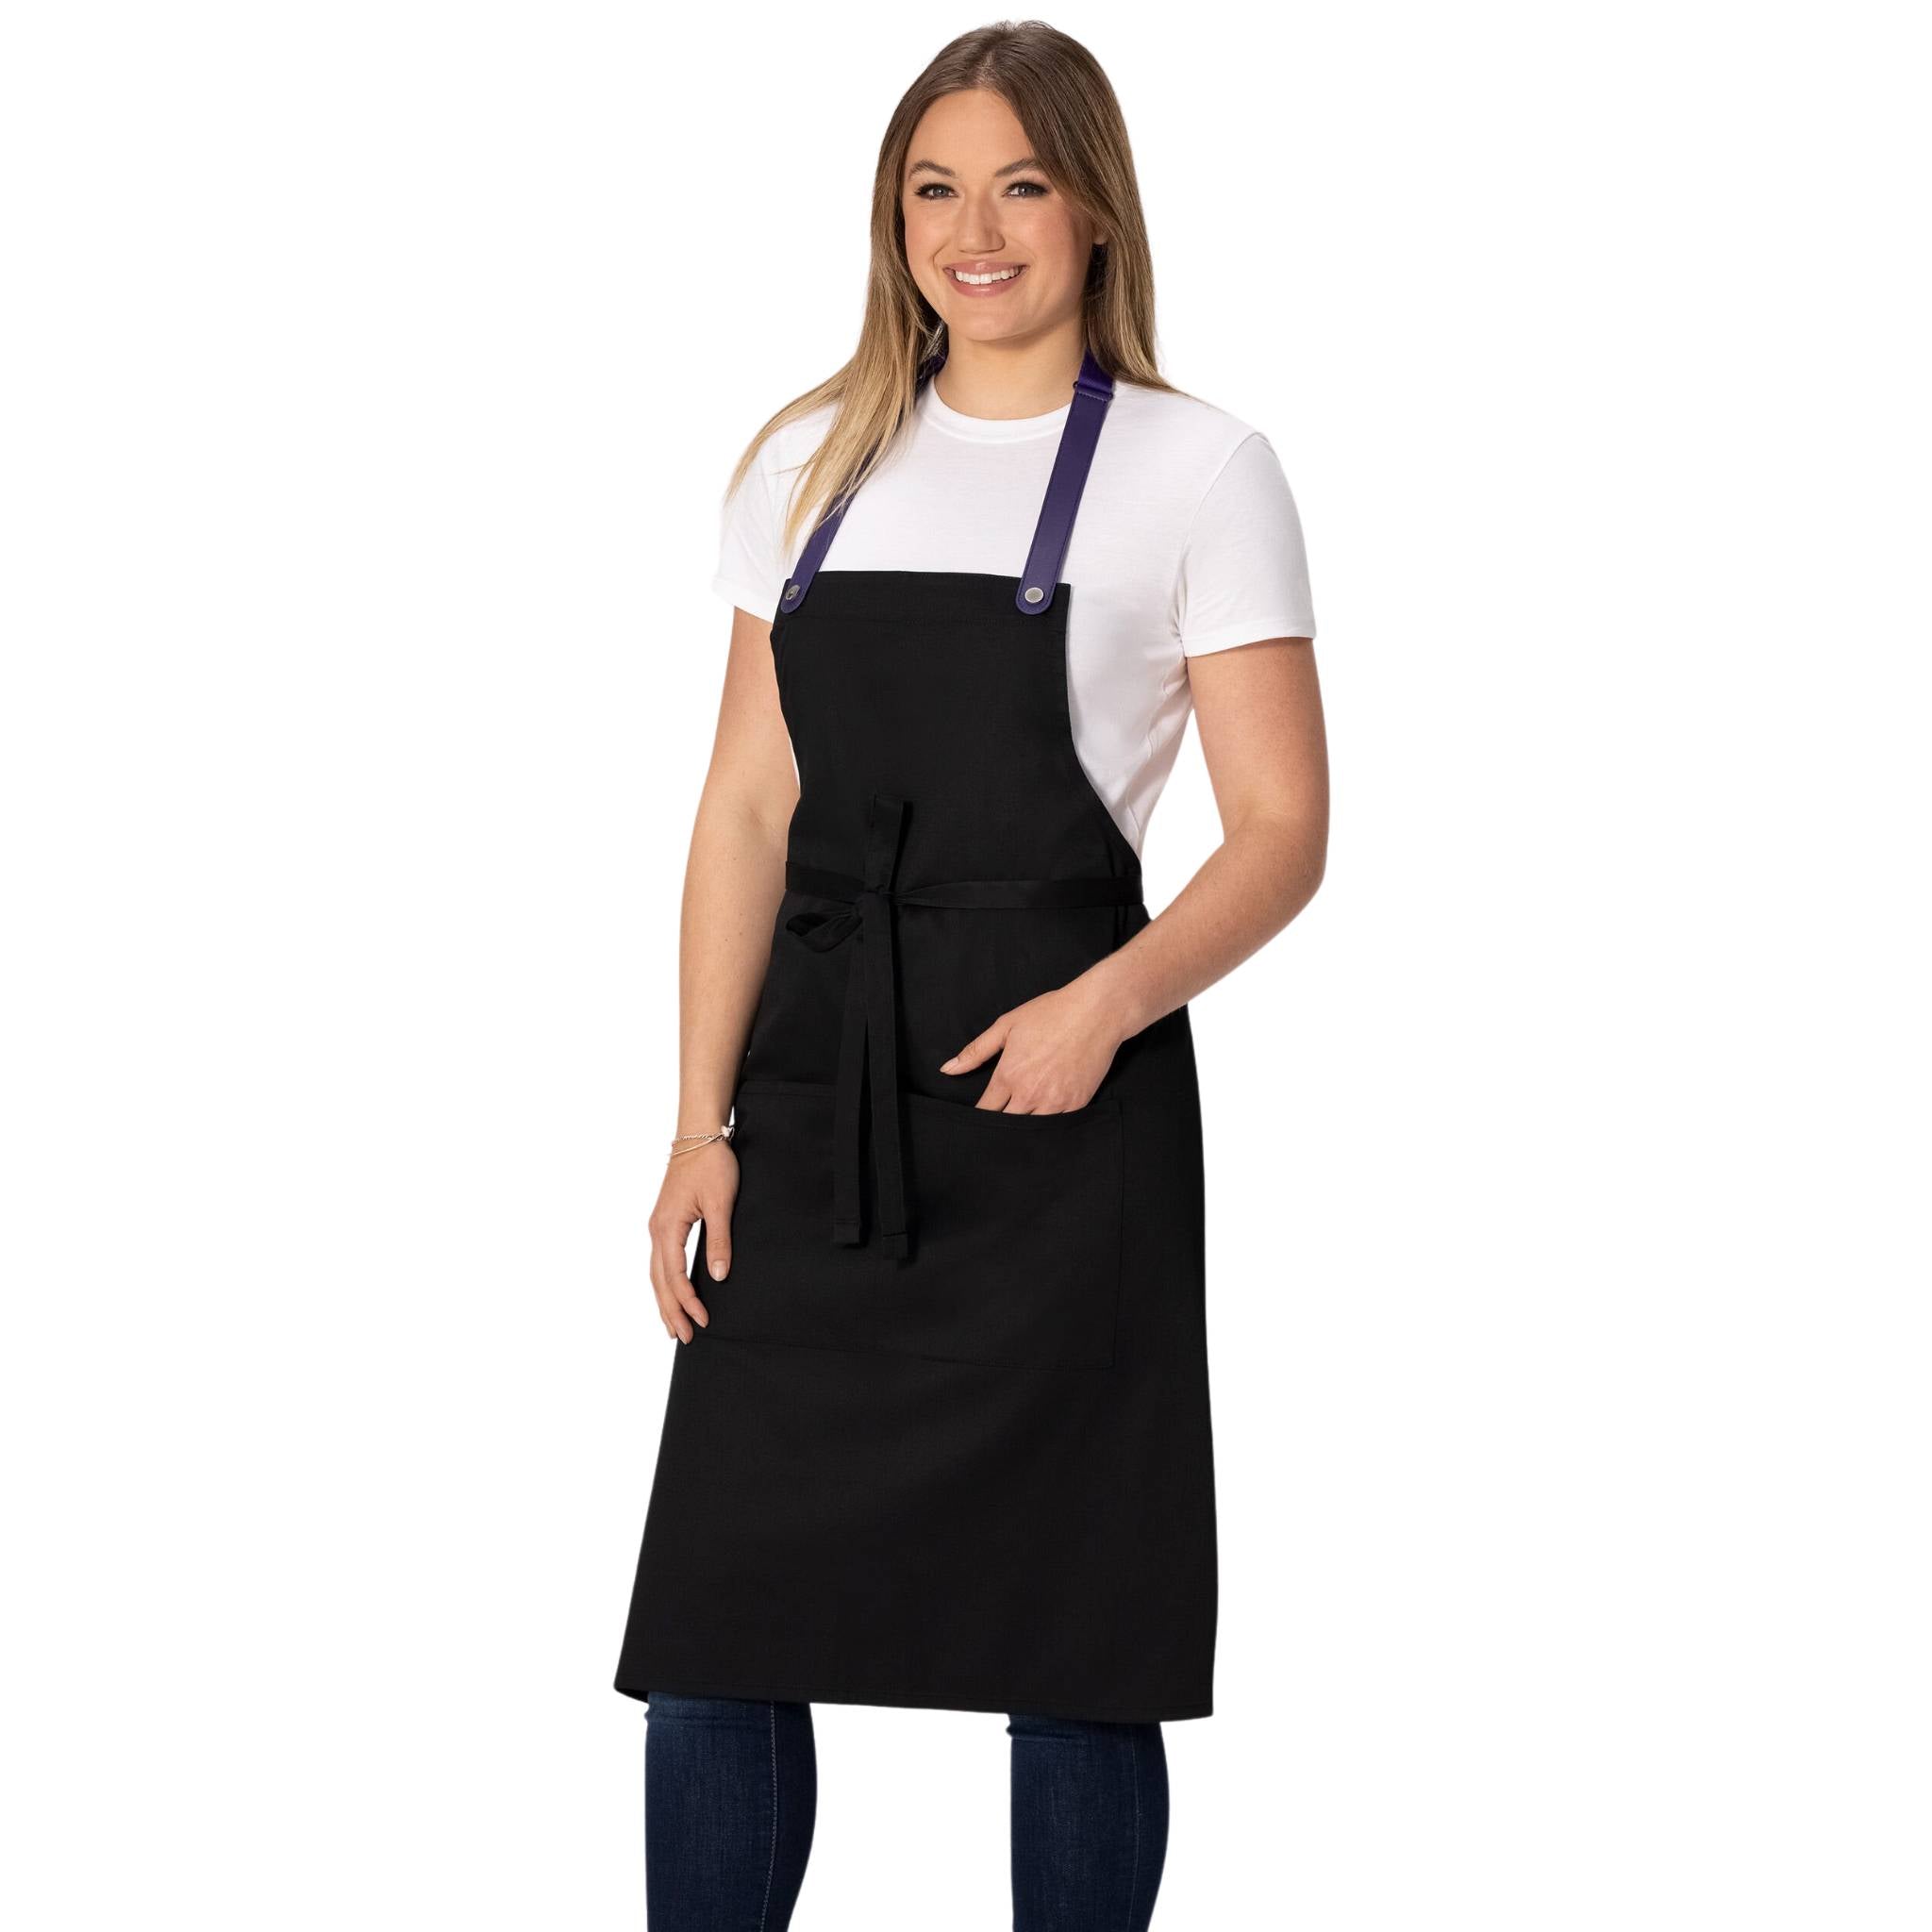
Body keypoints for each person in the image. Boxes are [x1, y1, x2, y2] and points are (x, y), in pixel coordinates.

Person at [615, 23, 1327, 1928]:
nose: (975, 231)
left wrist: (1108, 1004)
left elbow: (1281, 830)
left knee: (1076, 1640)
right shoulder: (808, 461)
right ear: (893, 218)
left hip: (1062, 1122)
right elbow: (746, 808)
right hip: (813, 1105)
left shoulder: (1201, 469)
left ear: (1095, 211)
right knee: (718, 1630)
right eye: (935, 189)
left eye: (1021, 185)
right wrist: (695, 1125)